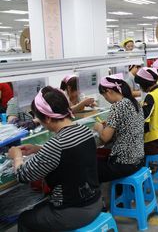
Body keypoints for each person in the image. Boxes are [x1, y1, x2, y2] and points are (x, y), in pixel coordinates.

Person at [8, 86, 102, 232]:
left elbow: (23, 175)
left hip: (73, 211)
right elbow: (69, 155)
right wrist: (39, 149)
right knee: (40, 208)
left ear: (48, 118)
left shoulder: (56, 144)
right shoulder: (85, 131)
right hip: (95, 200)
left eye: (39, 118)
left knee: (25, 219)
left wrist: (17, 156)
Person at [94, 75, 144, 182]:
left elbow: (105, 138)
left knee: (88, 170)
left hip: (124, 163)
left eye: (104, 96)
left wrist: (99, 128)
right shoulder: (133, 102)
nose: (106, 99)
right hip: (138, 159)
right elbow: (127, 124)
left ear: (108, 91)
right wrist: (109, 124)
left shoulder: (117, 106)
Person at [134, 67, 158, 156]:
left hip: (156, 142)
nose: (140, 87)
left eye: (140, 84)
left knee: (131, 148)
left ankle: (148, 167)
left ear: (144, 83)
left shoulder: (151, 96)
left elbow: (143, 117)